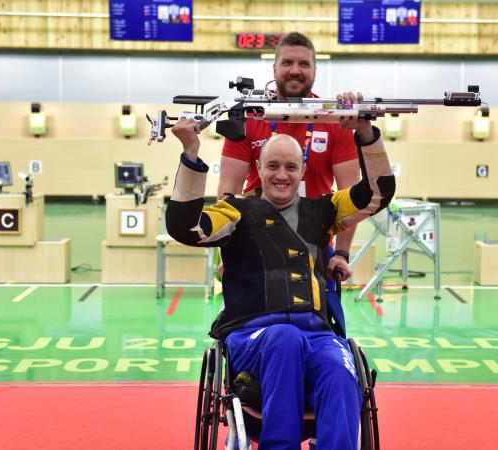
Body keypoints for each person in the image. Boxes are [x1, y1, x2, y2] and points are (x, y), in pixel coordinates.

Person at [165, 91, 395, 450]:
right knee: (284, 338)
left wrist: (365, 132)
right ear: (258, 169)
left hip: (317, 336)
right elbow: (186, 228)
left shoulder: (323, 210)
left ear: (303, 169)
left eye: (291, 167)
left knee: (338, 363)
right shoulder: (236, 211)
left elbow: (377, 195)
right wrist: (191, 154)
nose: (282, 175)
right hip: (253, 337)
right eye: (272, 166)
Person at [217, 31, 361, 283]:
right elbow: (228, 193)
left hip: (314, 244)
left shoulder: (335, 119)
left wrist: (341, 253)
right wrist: (227, 253)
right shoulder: (250, 116)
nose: (295, 70)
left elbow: (351, 194)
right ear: (275, 69)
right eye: (287, 63)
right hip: (255, 244)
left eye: (304, 64)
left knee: (319, 321)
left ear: (315, 70)